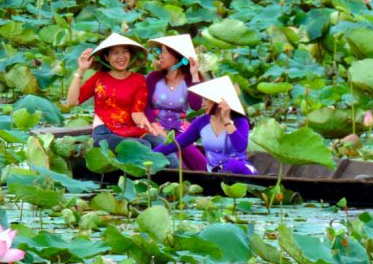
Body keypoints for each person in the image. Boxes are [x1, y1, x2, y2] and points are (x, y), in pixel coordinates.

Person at [65, 33, 176, 165]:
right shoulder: (99, 79)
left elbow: (137, 113)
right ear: (107, 57)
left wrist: (150, 125)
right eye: (115, 53)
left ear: (130, 55)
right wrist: (81, 70)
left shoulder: (139, 80)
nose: (121, 57)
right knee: (143, 146)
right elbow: (72, 102)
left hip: (131, 130)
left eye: (125, 52)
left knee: (161, 143)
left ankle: (174, 180)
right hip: (105, 133)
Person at [153, 76, 256, 174]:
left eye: (206, 100)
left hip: (240, 172)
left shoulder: (240, 121)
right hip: (215, 175)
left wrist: (226, 120)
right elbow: (177, 143)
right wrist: (150, 155)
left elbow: (241, 147)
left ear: (219, 101)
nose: (202, 104)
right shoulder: (201, 122)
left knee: (232, 165)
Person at [146, 34, 205, 169]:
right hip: (156, 127)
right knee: (178, 164)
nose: (160, 56)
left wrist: (195, 75)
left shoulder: (190, 80)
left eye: (164, 52)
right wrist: (154, 125)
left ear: (177, 57)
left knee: (198, 161)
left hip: (179, 128)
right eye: (160, 51)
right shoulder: (154, 77)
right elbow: (145, 106)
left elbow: (196, 106)